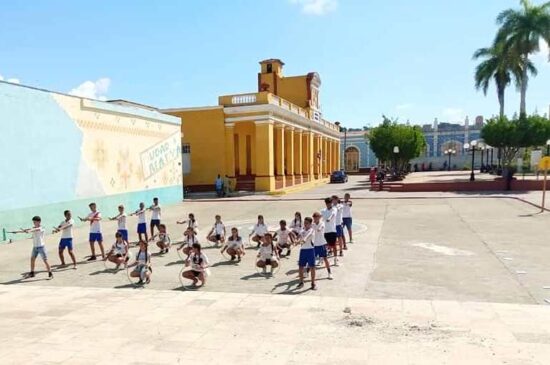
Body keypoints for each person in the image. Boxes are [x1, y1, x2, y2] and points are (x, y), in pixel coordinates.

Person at [297, 217, 316, 290]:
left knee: (312, 267)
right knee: (301, 267)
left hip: (310, 250)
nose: (305, 224)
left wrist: (304, 239)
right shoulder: (302, 230)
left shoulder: (312, 230)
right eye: (304, 223)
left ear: (310, 224)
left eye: (307, 223)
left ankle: (313, 283)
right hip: (303, 250)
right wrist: (296, 240)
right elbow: (299, 236)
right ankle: (301, 282)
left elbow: (308, 235)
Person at [312, 212, 332, 279]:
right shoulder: (312, 224)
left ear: (319, 218)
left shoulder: (322, 223)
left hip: (322, 244)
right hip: (314, 245)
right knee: (312, 260)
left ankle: (329, 273)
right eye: (314, 218)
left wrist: (319, 229)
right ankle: (307, 272)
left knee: (325, 259)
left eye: (316, 217)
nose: (315, 219)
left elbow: (322, 227)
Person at [321, 197, 338, 266]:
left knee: (333, 245)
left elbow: (333, 214)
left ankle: (335, 259)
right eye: (327, 204)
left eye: (329, 203)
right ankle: (322, 259)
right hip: (325, 231)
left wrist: (329, 218)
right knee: (324, 246)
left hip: (332, 230)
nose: (328, 205)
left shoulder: (334, 209)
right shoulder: (323, 210)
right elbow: (320, 217)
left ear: (331, 203)